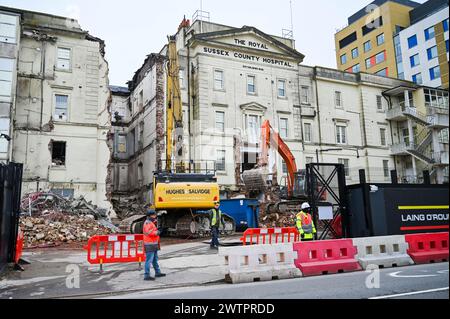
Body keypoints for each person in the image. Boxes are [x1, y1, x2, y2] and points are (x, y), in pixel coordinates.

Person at [143, 209, 166, 281]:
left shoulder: (151, 222)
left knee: (155, 259)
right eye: (154, 215)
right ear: (150, 215)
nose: (155, 216)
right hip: (150, 244)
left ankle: (157, 272)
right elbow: (149, 233)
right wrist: (158, 232)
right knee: (149, 260)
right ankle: (147, 275)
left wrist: (157, 230)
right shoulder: (148, 223)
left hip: (153, 244)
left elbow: (152, 231)